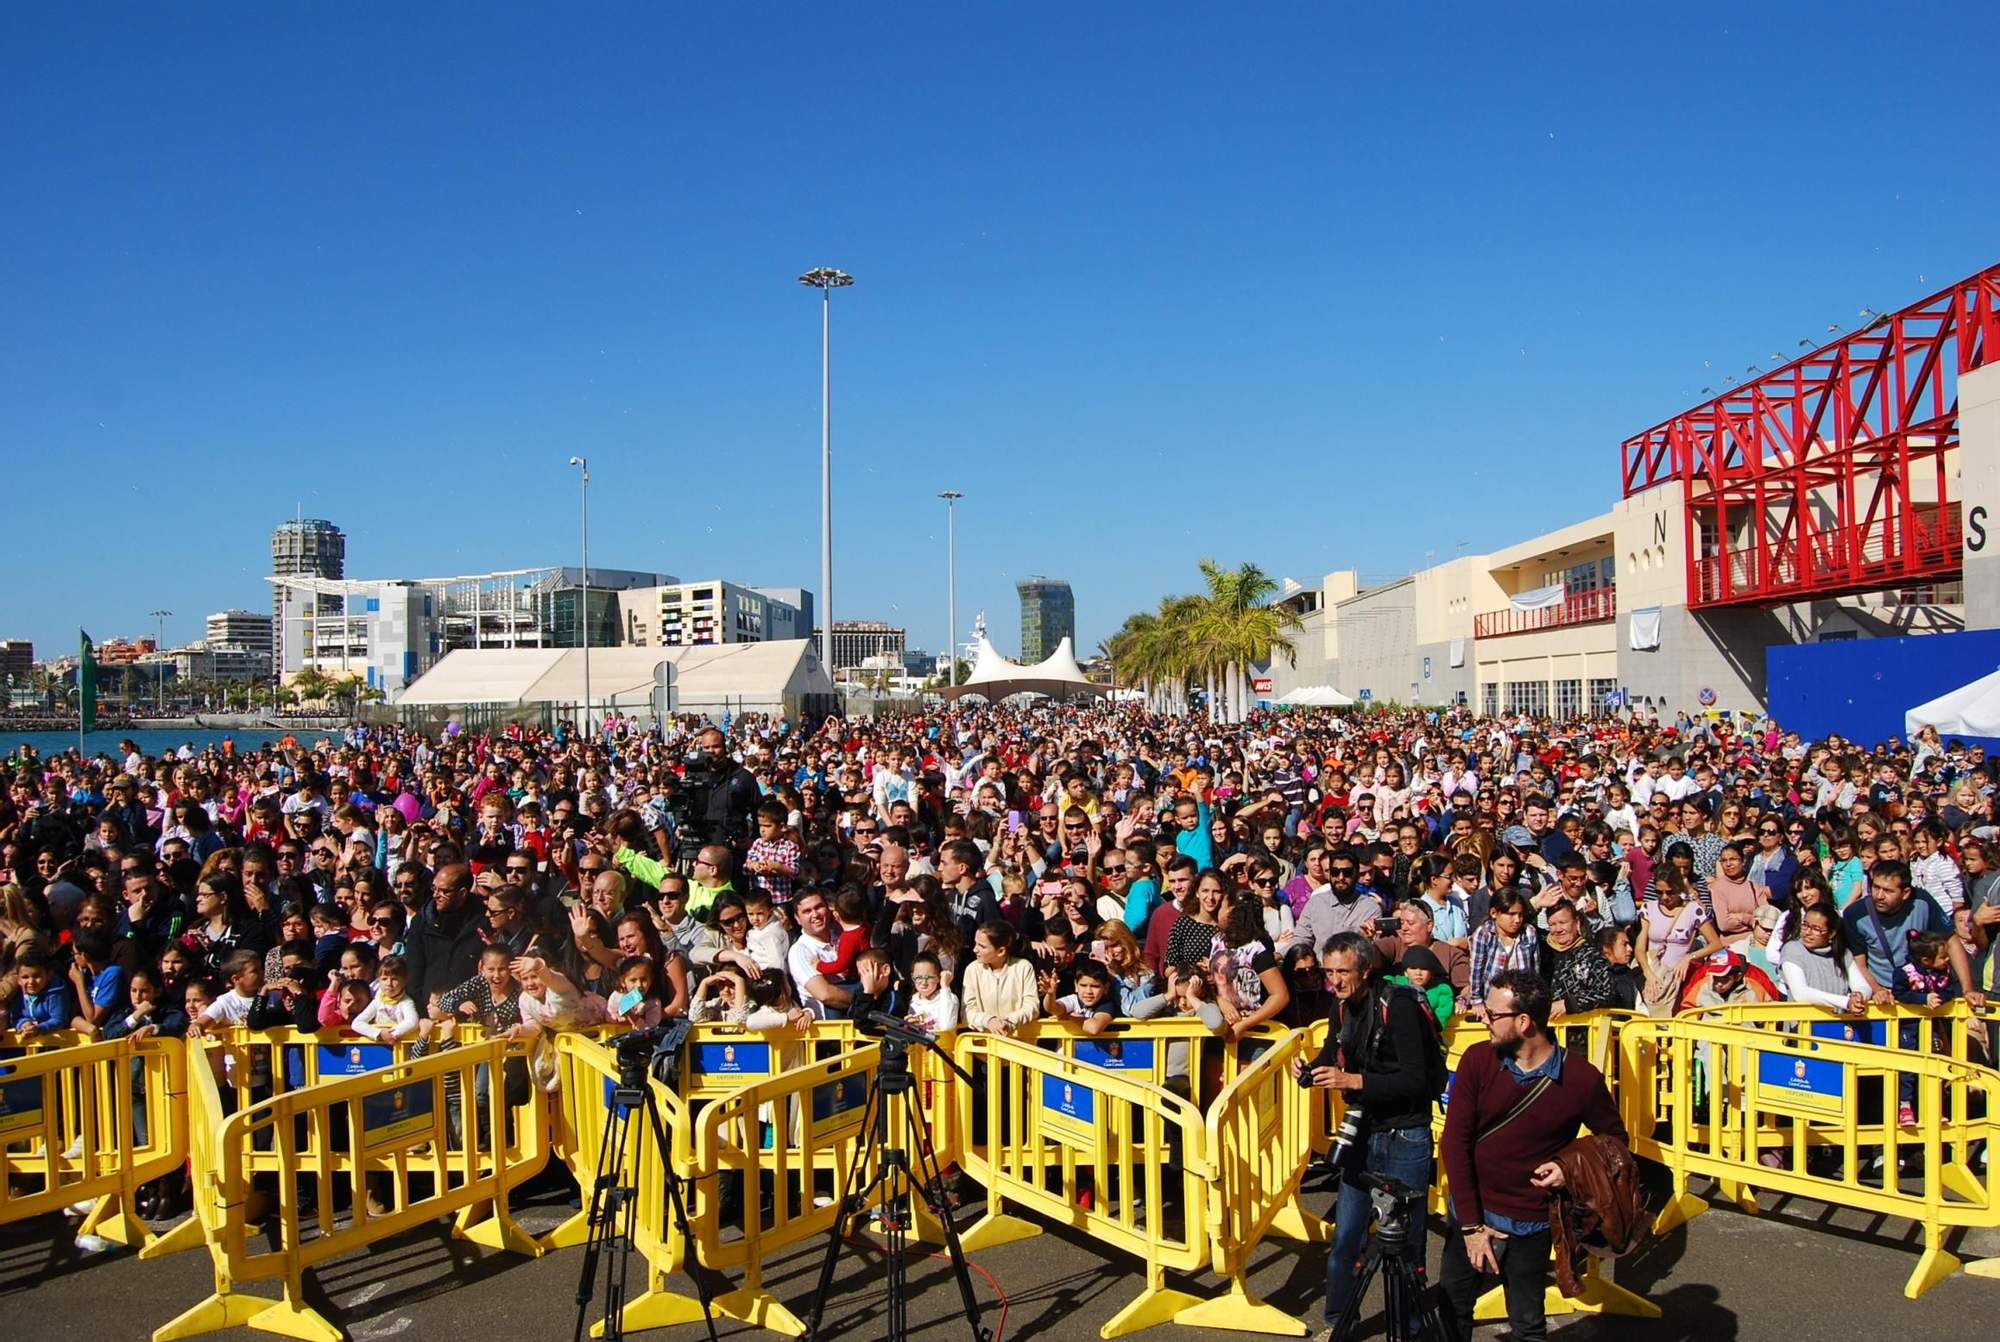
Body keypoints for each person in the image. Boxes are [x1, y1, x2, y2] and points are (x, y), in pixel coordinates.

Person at [1438, 968, 1626, 1342]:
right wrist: (1472, 1227)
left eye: (1493, 1014)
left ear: (1524, 1022)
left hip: (1531, 1224)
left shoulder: (1581, 1077)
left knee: (1527, 1323)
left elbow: (1616, 1142)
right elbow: (1454, 1143)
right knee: (1450, 1311)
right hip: (1472, 1213)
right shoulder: (1477, 1060)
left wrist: (1567, 1166)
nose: (1483, 1019)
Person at [1293, 931, 1440, 1339]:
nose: (1334, 981)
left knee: (1406, 1241)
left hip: (1405, 1132)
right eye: (1329, 972)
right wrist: (1310, 1071)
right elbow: (1333, 1051)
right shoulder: (1342, 1007)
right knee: (1346, 1236)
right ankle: (1339, 1324)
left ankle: (1408, 1327)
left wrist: (1353, 1080)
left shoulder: (1399, 1005)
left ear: (1365, 969)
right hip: (1362, 1129)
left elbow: (1415, 1079)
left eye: (1343, 972)